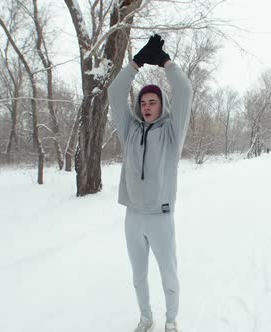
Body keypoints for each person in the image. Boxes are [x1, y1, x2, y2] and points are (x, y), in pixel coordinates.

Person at [108, 34, 192, 332]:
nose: (146, 106)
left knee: (168, 275)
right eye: (143, 102)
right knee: (138, 275)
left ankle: (170, 321)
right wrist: (135, 63)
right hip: (133, 215)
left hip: (160, 216)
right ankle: (146, 317)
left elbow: (184, 90)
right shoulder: (129, 130)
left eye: (152, 101)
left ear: (162, 105)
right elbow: (115, 92)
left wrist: (166, 63)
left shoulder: (171, 133)